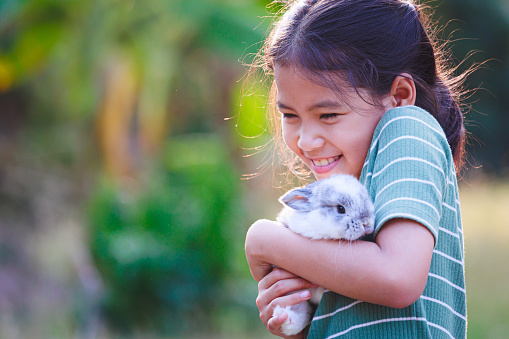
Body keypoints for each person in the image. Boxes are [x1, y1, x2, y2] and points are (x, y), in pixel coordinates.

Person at [244, 0, 469, 338]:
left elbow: (397, 278)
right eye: (290, 115)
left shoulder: (409, 128)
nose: (305, 140)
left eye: (328, 115)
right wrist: (299, 316)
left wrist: (263, 240)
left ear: (399, 97)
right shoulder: (357, 188)